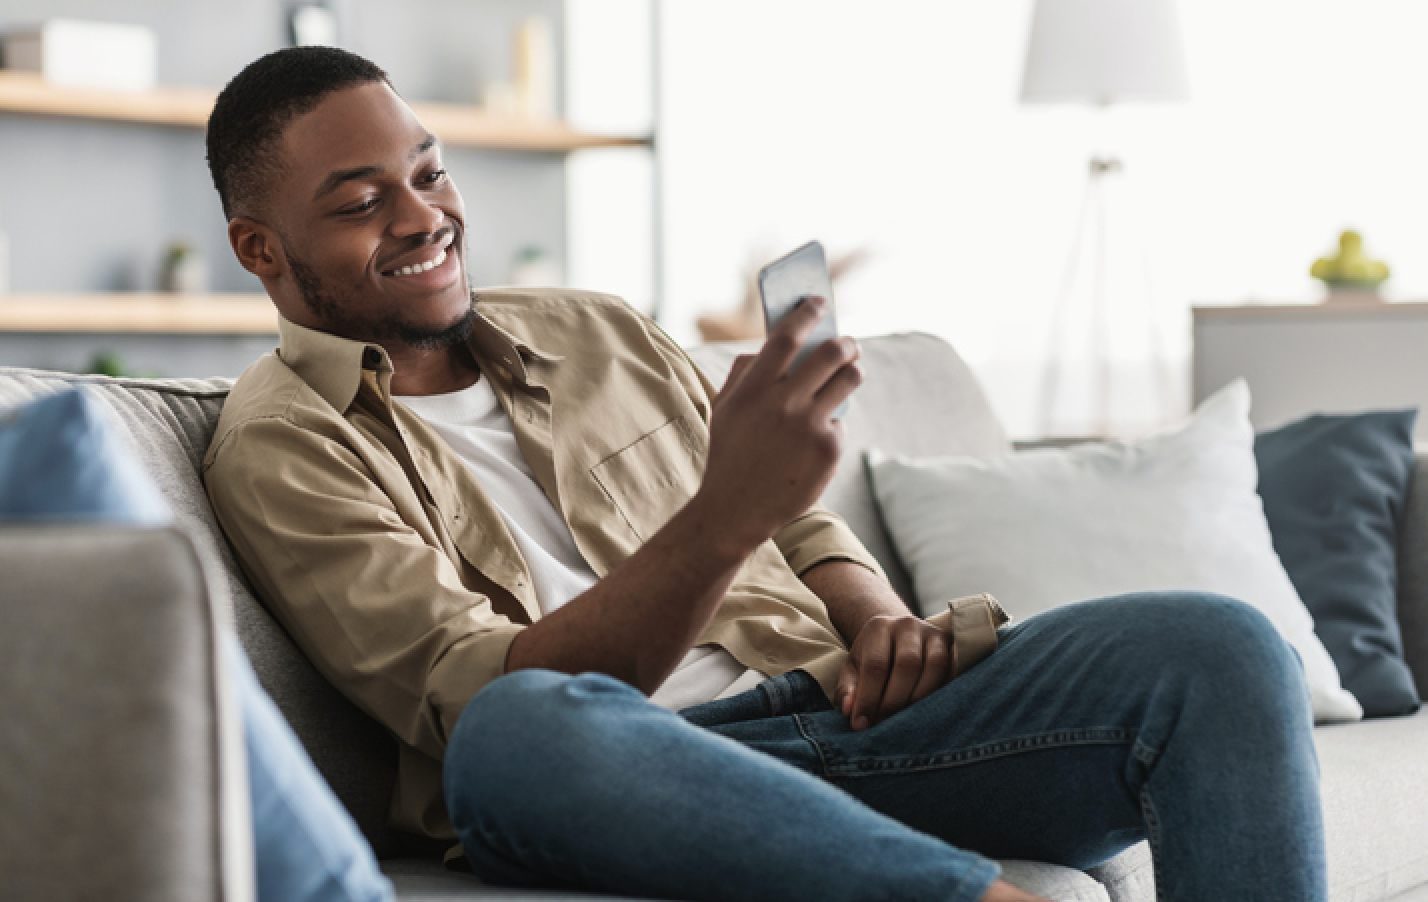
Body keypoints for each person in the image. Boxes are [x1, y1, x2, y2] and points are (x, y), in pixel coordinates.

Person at [202, 46, 1326, 902]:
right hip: (627, 776)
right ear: (261, 249)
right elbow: (471, 695)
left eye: (430, 174)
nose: (423, 217)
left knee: (1220, 646)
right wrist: (727, 514)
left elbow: (791, 517)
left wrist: (876, 610)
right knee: (516, 726)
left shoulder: (597, 331)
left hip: (846, 719)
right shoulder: (283, 442)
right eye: (360, 202)